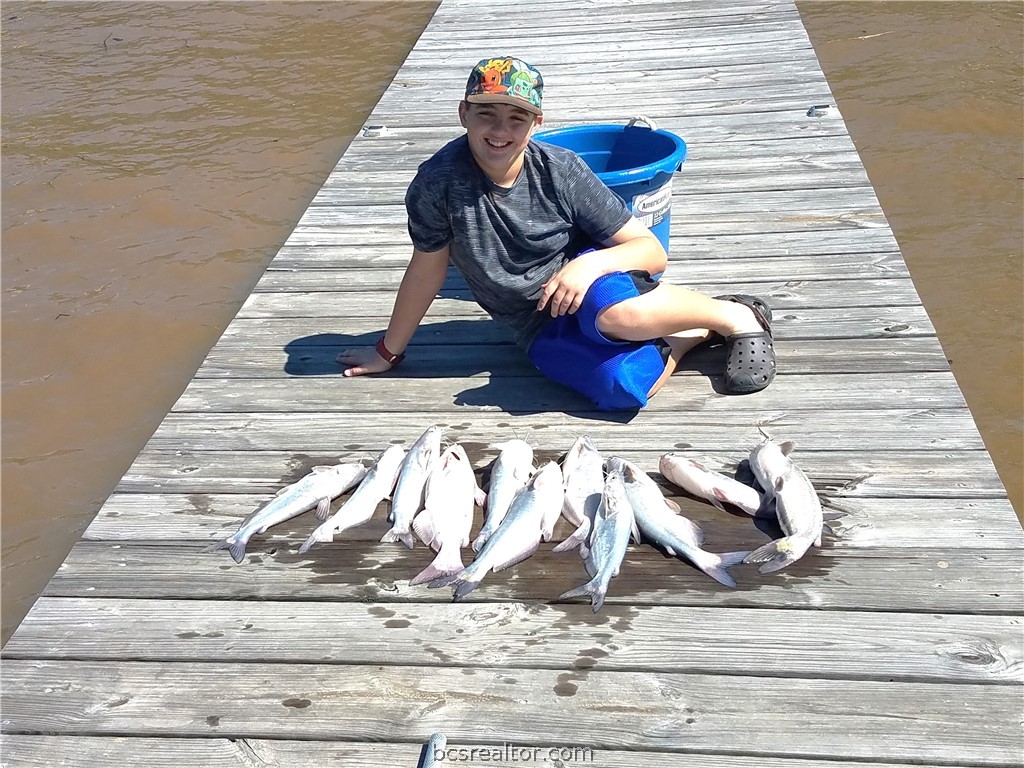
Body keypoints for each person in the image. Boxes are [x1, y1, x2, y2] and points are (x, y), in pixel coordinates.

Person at [338, 56, 775, 410]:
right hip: (534, 322)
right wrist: (388, 351)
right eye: (486, 114)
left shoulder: (560, 169)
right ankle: (684, 337)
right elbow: (426, 270)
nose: (500, 130)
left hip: (595, 289)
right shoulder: (436, 184)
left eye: (516, 117)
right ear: (463, 113)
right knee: (619, 389)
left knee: (615, 317)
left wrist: (589, 265)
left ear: (536, 122)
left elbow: (650, 251)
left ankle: (735, 315)